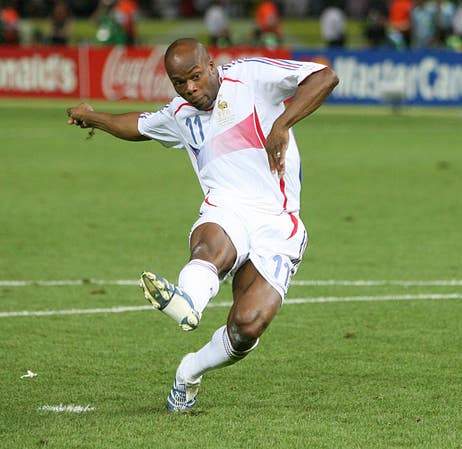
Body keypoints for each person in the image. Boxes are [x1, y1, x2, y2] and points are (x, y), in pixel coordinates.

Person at [66, 38, 338, 412]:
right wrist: (91, 116)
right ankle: (189, 301)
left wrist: (282, 123)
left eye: (195, 77)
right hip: (225, 207)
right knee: (212, 247)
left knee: (246, 327)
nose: (190, 89)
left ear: (211, 65)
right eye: (180, 83)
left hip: (278, 222)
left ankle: (188, 372)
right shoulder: (180, 114)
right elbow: (136, 125)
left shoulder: (249, 76)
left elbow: (325, 77)